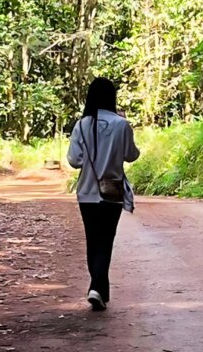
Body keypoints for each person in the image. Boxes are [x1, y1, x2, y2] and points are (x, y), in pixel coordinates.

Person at [67, 78, 140, 311]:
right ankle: (97, 288)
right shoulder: (122, 124)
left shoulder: (81, 125)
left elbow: (74, 160)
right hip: (112, 191)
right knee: (106, 240)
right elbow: (131, 155)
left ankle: (99, 288)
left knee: (93, 240)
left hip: (87, 192)